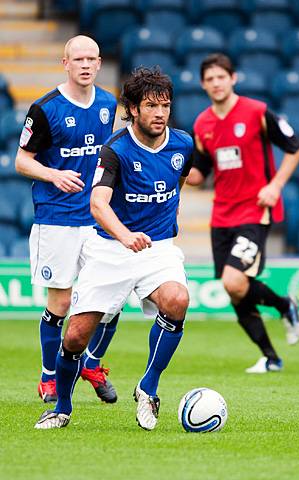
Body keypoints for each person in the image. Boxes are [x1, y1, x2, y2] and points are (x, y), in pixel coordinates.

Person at [34, 66, 193, 431]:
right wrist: (124, 235)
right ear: (133, 109)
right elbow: (98, 205)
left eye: (165, 106)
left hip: (158, 248)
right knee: (75, 336)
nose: (160, 114)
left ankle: (148, 388)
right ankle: (61, 407)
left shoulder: (183, 144)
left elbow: (179, 180)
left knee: (178, 300)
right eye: (151, 106)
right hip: (111, 249)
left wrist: (164, 219)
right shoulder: (115, 149)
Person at [15, 35, 119, 404]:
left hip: (95, 219)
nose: (86, 65)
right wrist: (53, 174)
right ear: (65, 63)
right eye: (79, 59)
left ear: (100, 62)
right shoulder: (45, 108)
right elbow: (21, 160)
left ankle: (90, 363)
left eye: (92, 58)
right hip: (56, 218)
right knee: (61, 303)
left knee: (110, 301)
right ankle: (48, 376)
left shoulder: (109, 103)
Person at [187, 53, 299, 374]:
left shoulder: (256, 112)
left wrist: (276, 185)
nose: (215, 83)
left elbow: (296, 147)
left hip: (255, 210)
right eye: (209, 79)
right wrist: (173, 173)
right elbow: (200, 172)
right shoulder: (202, 124)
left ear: (233, 78)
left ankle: (284, 306)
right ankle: (271, 356)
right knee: (234, 290)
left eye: (220, 77)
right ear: (203, 84)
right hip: (221, 215)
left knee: (233, 280)